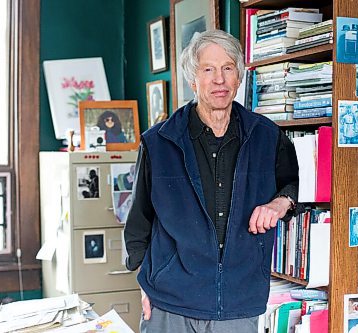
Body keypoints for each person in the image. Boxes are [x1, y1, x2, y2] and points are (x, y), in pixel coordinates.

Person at [124, 30, 299, 333]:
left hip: (238, 305)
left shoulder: (268, 137)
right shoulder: (158, 142)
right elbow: (138, 222)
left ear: (239, 77)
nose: (219, 79)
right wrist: (145, 283)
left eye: (228, 68)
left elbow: (292, 187)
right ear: (193, 80)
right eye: (208, 69)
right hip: (169, 304)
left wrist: (279, 203)